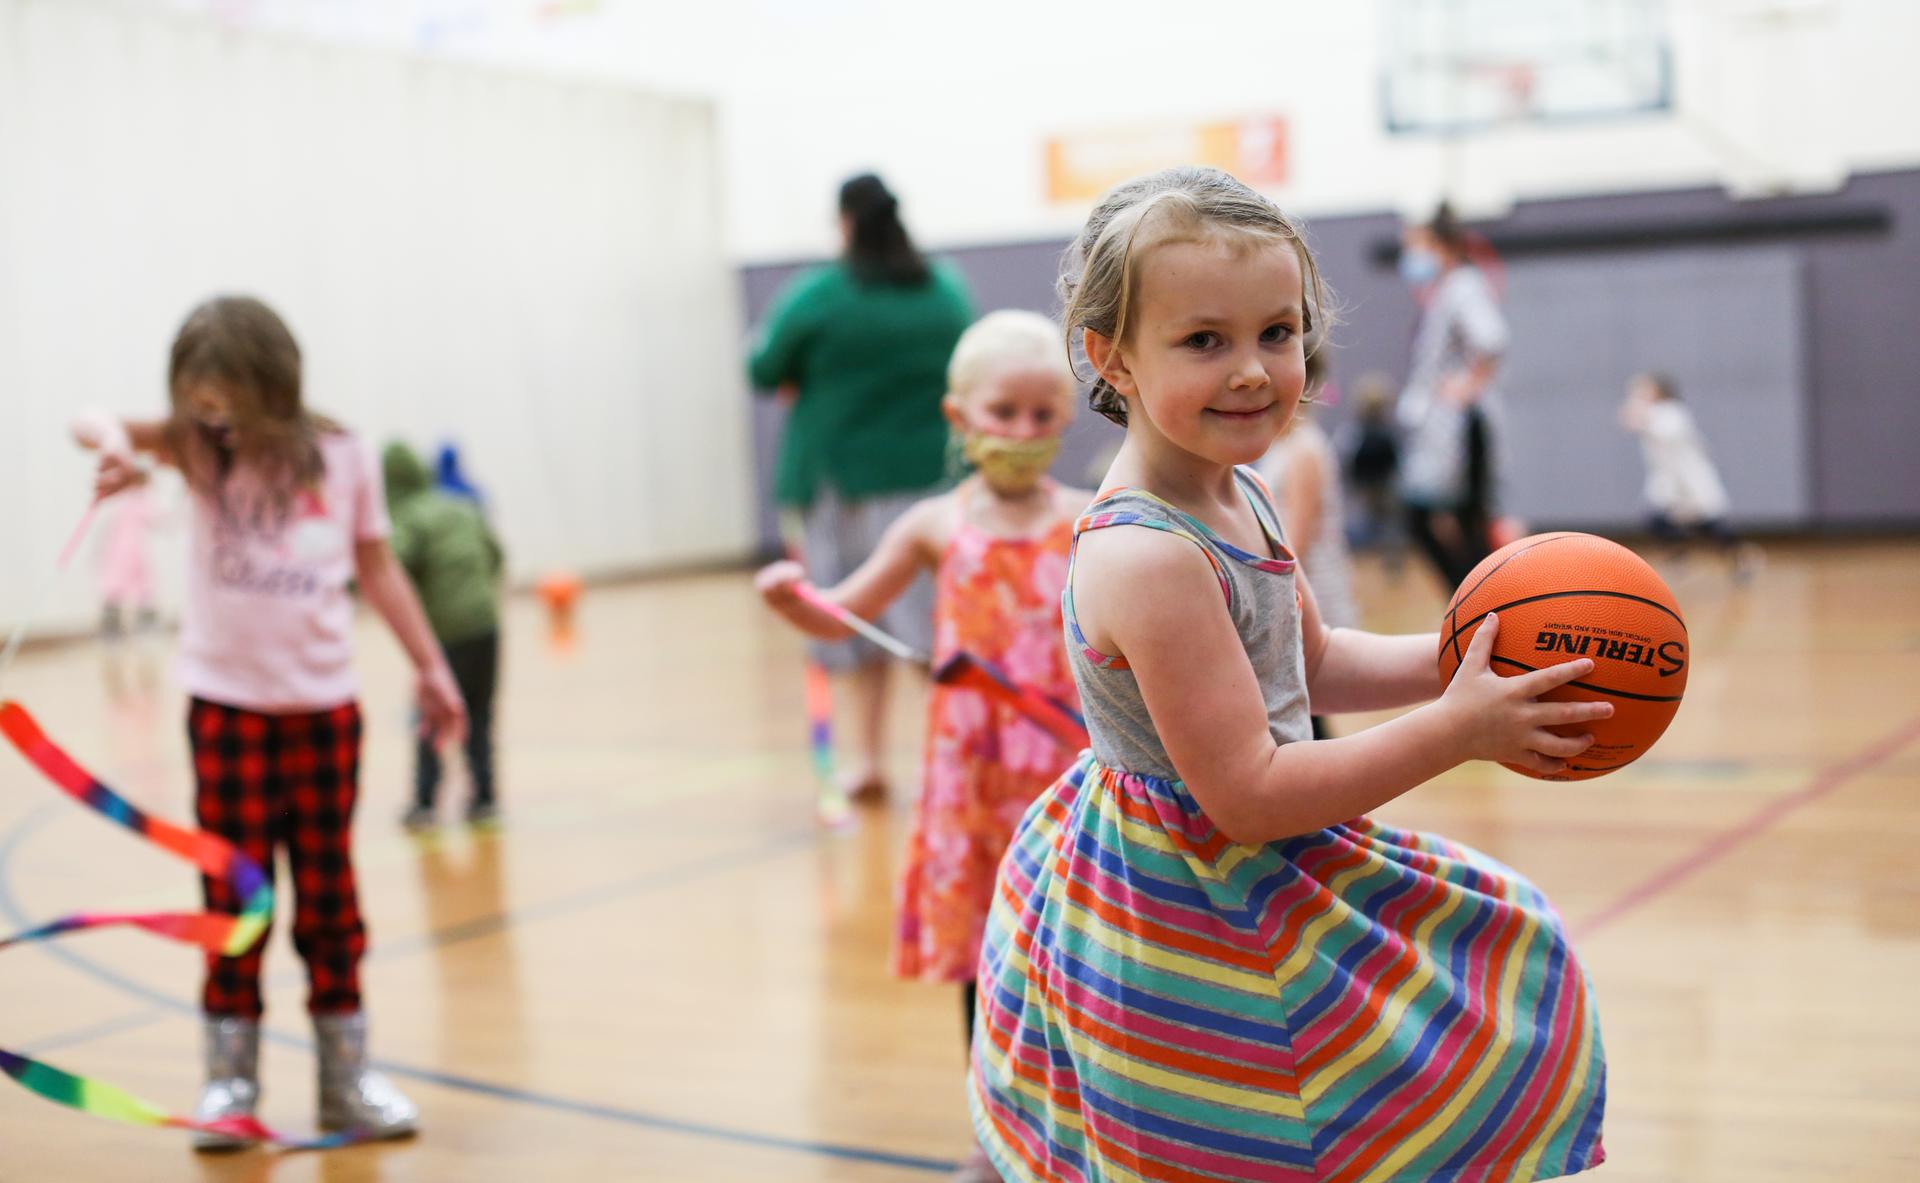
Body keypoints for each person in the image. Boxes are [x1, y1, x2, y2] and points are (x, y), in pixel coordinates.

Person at [969, 168, 1611, 1183]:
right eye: (1204, 341)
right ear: (1111, 358)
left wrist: (1472, 652)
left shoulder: (1246, 491)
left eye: (1279, 332)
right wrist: (1462, 728)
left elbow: (1310, 664)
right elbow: (1249, 793)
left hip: (1255, 859)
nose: (1255, 370)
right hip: (1175, 891)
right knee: (1226, 1134)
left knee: (1494, 955)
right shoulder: (1148, 555)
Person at [73, 296, 465, 1149]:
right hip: (227, 710)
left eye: (231, 405)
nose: (218, 421)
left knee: (329, 896)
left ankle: (346, 1075)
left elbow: (378, 564)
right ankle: (230, 1081)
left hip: (323, 711)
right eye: (200, 405)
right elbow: (94, 419)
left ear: (275, 390)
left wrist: (431, 668)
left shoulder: (343, 455)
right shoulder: (192, 446)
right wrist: (111, 447)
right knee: (233, 898)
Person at [758, 310, 1089, 1183]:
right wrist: (795, 597)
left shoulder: (1093, 520)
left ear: (1067, 414)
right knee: (987, 972)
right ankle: (995, 1137)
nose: (1022, 432)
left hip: (1069, 784)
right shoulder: (932, 525)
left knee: (1080, 962)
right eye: (1002, 412)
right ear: (959, 417)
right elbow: (844, 607)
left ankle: (1086, 1133)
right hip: (972, 792)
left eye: (1042, 413)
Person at [748, 173, 975, 802]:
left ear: (845, 222)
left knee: (853, 621)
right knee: (928, 632)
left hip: (838, 484)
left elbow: (764, 366)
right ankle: (949, 764)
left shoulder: (820, 295)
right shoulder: (944, 292)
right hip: (929, 485)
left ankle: (869, 759)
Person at [383, 442, 507, 829]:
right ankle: (484, 797)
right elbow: (496, 556)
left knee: (432, 714)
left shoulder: (407, 517)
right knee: (479, 713)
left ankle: (424, 802)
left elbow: (390, 567)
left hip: (447, 633)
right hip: (487, 623)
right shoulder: (459, 505)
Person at [1396, 204, 1509, 591]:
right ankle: (1474, 602)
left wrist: (1466, 387)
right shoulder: (1446, 290)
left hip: (1460, 428)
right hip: (1446, 427)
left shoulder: (1462, 286)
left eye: (1414, 245)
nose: (1410, 255)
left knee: (1447, 517)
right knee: (1457, 519)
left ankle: (1477, 601)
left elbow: (1491, 339)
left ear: (1439, 245)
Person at [1258, 351, 1358, 739]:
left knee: (1307, 702)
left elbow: (1294, 538)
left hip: (1309, 586)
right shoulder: (1284, 445)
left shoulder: (1304, 449)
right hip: (1300, 587)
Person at [1619, 372, 1760, 580]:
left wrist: (1638, 400)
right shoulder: (1656, 412)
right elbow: (1629, 421)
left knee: (1710, 527)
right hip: (1669, 483)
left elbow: (1642, 423)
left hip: (1691, 481)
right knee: (1656, 520)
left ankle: (1742, 556)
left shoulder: (1672, 413)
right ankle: (1678, 557)